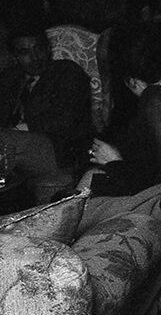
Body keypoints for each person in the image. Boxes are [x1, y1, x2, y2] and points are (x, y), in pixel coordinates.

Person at [78, 21, 161, 202]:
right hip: (144, 190)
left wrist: (113, 162)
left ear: (131, 80)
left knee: (87, 183)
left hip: (155, 201)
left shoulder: (156, 100)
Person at [0, 21, 93, 203]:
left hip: (58, 148)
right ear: (15, 56)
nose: (35, 57)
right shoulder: (9, 78)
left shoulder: (67, 72)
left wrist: (19, 130)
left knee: (4, 140)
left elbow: (64, 120)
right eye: (24, 52)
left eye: (39, 49)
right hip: (15, 153)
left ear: (48, 49)